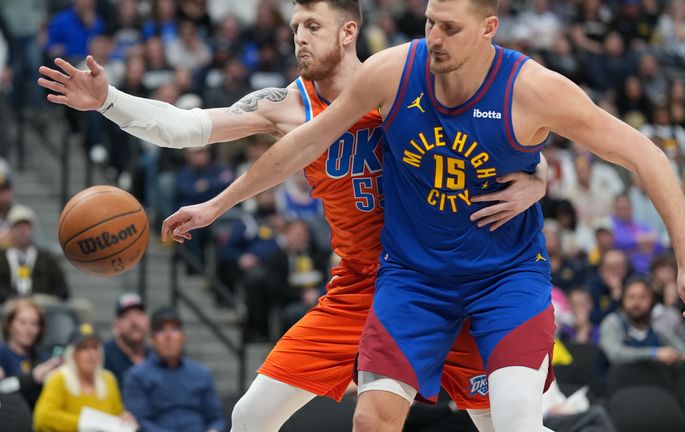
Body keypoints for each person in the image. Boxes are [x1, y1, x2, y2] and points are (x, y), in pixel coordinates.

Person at [155, 1, 685, 429]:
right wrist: (215, 205)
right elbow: (303, 144)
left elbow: (647, 155)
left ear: (489, 28)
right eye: (429, 22)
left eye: (450, 27)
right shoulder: (394, 71)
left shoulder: (533, 90)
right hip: (413, 280)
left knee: (516, 421)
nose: (434, 37)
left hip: (504, 279)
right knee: (370, 418)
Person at [37, 1, 549, 430]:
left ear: (349, 32)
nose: (299, 39)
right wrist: (109, 101)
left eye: (313, 27)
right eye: (295, 28)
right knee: (250, 416)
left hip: (433, 277)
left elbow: (496, 134)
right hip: (356, 285)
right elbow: (186, 127)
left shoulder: (404, 84)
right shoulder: (286, 104)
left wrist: (539, 176)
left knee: (502, 423)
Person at [122, 306, 225, 432]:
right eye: (161, 330)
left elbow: (216, 418)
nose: (168, 336)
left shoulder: (201, 373)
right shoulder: (136, 376)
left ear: (183, 336)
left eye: (174, 329)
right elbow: (139, 421)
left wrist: (214, 430)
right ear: (151, 338)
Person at [33, 323, 136, 432]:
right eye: (83, 348)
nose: (91, 354)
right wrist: (86, 424)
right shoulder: (59, 378)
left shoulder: (108, 379)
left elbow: (117, 413)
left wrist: (124, 419)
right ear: (73, 353)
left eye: (94, 347)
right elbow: (43, 417)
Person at [0, 299, 61, 408]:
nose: (28, 329)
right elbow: (2, 388)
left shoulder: (43, 357)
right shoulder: (2, 354)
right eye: (22, 322)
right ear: (9, 324)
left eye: (34, 323)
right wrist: (32, 378)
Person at [103, 292, 151, 388]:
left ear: (148, 321)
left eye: (139, 314)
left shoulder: (157, 356)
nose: (134, 321)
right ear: (116, 325)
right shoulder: (103, 356)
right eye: (126, 316)